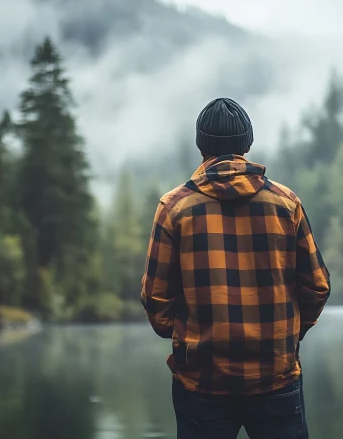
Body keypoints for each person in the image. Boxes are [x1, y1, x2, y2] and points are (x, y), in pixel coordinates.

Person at [140, 97, 331, 439]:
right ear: (247, 143)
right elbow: (317, 286)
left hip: (201, 383)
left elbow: (155, 298)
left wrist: (188, 336)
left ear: (201, 146)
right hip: (277, 375)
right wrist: (286, 334)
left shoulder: (174, 208)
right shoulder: (286, 204)